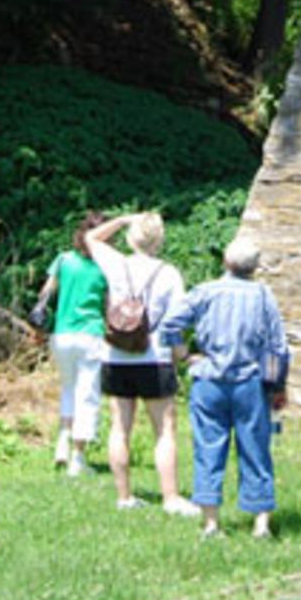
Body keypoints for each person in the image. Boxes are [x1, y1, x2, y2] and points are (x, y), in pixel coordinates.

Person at [159, 233, 288, 539]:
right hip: (251, 383)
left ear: (225, 262)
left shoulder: (205, 291)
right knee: (256, 450)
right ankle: (261, 523)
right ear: (255, 267)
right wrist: (277, 388)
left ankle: (212, 523)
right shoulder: (263, 296)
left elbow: (169, 324)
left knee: (208, 448)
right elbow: (278, 346)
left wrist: (184, 355)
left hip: (209, 381)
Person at [95, 212, 197, 514]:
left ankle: (124, 496)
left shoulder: (116, 264)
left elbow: (91, 238)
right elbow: (176, 322)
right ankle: (171, 498)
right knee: (164, 430)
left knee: (119, 428)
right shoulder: (169, 273)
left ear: (131, 238)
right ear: (160, 240)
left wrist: (124, 219)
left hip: (115, 355)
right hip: (154, 357)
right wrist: (182, 354)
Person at [31, 210, 134, 478]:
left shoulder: (64, 260)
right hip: (91, 334)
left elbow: (45, 294)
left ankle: (62, 442)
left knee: (68, 388)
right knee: (87, 395)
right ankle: (78, 456)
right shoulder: (105, 268)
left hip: (61, 334)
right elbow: (112, 306)